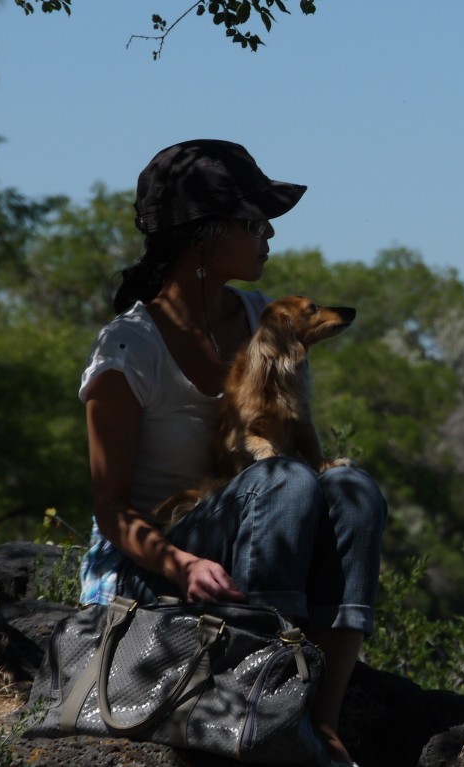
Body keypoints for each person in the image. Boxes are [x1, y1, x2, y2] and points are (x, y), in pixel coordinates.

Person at [76, 139, 386, 767]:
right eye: (252, 221)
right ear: (202, 237)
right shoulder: (129, 350)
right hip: (157, 565)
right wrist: (183, 563)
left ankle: (316, 719)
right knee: (285, 482)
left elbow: (295, 430)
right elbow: (110, 510)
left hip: (250, 538)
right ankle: (257, 700)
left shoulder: (261, 320)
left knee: (352, 490)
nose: (269, 232)